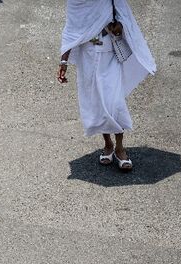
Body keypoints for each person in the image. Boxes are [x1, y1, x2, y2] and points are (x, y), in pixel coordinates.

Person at [57, 0, 156, 172]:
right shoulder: (75, 2)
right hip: (88, 57)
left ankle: (120, 148)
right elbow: (71, 31)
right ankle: (108, 144)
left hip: (110, 54)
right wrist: (63, 61)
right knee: (98, 103)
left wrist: (120, 26)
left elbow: (124, 17)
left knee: (114, 101)